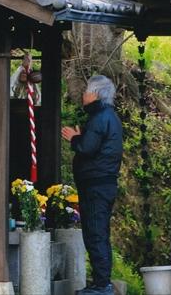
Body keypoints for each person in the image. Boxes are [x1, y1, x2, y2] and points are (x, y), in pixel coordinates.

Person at [61, 75, 123, 295]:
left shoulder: (100, 117)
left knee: (96, 233)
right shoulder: (108, 116)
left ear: (96, 94)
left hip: (97, 186)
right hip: (101, 185)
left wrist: (74, 138)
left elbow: (87, 148)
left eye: (87, 91)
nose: (83, 95)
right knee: (98, 232)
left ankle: (102, 285)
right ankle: (100, 282)